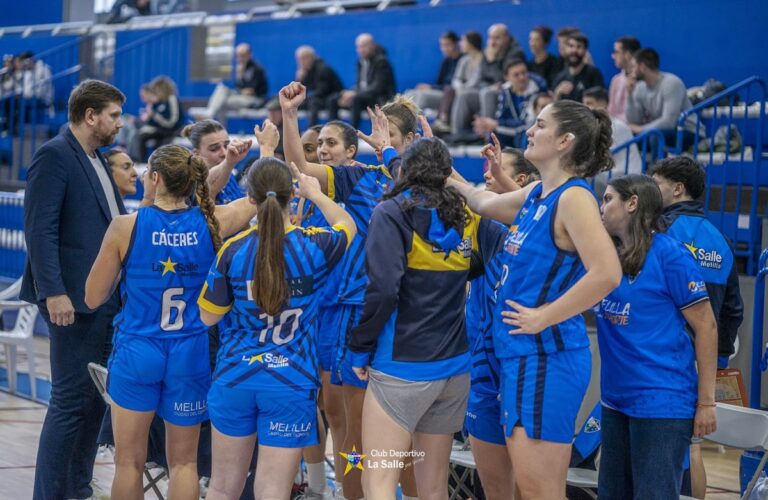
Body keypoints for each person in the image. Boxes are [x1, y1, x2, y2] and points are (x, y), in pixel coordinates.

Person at [449, 99, 622, 498]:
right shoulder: (539, 194)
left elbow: (608, 272)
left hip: (546, 357)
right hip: (519, 355)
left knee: (539, 490)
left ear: (564, 141)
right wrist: (430, 161)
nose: (530, 130)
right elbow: (481, 201)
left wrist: (545, 315)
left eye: (539, 124)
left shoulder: (573, 197)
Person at [83, 144, 258, 499]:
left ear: (156, 178)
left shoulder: (125, 226)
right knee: (184, 464)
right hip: (189, 352)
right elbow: (256, 199)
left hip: (138, 349)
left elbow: (92, 298)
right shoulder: (213, 222)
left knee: (129, 463)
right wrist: (266, 148)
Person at [197, 158, 356, 500]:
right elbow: (348, 224)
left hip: (235, 378)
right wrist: (315, 194)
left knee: (223, 488)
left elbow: (208, 317)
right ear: (291, 195)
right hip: (290, 382)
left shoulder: (233, 249)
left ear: (250, 199)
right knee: (272, 491)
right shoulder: (315, 245)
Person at [21, 79, 127, 500]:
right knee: (68, 404)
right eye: (114, 116)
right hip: (71, 302)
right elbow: (39, 230)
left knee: (93, 404)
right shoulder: (54, 155)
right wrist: (53, 292)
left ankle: (77, 490)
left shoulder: (96, 158)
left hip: (102, 302)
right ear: (91, 115)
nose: (120, 123)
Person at [596, 174, 717, 499]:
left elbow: (707, 327)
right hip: (614, 400)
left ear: (632, 203)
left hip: (661, 402)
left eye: (608, 199)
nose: (601, 207)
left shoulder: (670, 256)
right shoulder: (606, 256)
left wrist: (706, 402)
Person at [651, 157, 743, 498]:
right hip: (699, 363)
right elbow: (734, 310)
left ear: (677, 189)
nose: (650, 191)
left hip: (659, 359)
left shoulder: (657, 231)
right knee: (692, 447)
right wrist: (715, 362)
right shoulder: (720, 239)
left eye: (656, 184)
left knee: (660, 452)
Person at [464, 138, 537, 500]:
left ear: (521, 181)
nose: (487, 175)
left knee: (532, 487)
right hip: (482, 369)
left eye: (498, 169)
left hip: (525, 367)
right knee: (496, 491)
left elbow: (532, 211)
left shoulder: (540, 232)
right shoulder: (483, 226)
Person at [451, 24, 526, 135]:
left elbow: (506, 78)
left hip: (505, 91)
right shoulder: (487, 53)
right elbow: (480, 78)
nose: (493, 42)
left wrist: (493, 61)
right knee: (465, 95)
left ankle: (489, 136)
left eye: (497, 38)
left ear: (507, 38)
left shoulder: (515, 52)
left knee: (488, 93)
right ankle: (457, 135)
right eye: (490, 38)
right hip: (486, 89)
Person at [625, 48, 698, 147]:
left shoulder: (671, 83)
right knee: (628, 137)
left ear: (642, 67)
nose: (631, 71)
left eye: (633, 67)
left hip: (687, 131)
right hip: (662, 131)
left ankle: (658, 163)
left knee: (656, 137)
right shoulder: (640, 87)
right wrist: (629, 95)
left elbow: (669, 122)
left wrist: (640, 129)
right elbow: (634, 120)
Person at [473, 59, 546, 147]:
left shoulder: (537, 92)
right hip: (515, 133)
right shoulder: (506, 91)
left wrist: (496, 124)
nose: (522, 77)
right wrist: (488, 125)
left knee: (523, 137)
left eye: (524, 73)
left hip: (531, 135)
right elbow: (501, 117)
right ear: (507, 77)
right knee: (493, 136)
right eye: (516, 75)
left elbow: (527, 125)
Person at [329, 33, 395, 129]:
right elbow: (360, 84)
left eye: (364, 46)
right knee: (334, 99)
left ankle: (352, 134)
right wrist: (349, 93)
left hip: (378, 98)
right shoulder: (360, 62)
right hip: (363, 96)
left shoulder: (382, 62)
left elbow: (377, 87)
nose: (361, 50)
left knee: (356, 99)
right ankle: (333, 130)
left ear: (373, 46)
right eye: (358, 47)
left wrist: (355, 94)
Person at [179, 119, 254, 205]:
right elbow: (208, 184)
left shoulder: (230, 176)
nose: (224, 153)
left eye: (226, 146)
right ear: (196, 154)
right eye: (214, 149)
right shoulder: (191, 185)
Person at [582, 86, 642, 179]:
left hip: (624, 173)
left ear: (603, 104)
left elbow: (603, 153)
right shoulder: (594, 125)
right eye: (584, 103)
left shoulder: (617, 126)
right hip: (609, 171)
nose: (585, 107)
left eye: (589, 103)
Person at [431, 31, 483, 135]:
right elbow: (456, 78)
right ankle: (441, 121)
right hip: (462, 90)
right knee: (451, 89)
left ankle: (455, 131)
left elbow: (477, 80)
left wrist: (462, 88)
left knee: (456, 93)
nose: (460, 44)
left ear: (471, 43)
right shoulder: (464, 60)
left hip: (476, 91)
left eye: (463, 41)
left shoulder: (483, 58)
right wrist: (459, 87)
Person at [408, 31, 463, 113]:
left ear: (455, 44)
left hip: (450, 96)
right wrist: (430, 87)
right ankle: (401, 124)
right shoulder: (445, 61)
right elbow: (438, 82)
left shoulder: (463, 60)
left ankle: (415, 124)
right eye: (442, 45)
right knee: (411, 93)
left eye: (447, 45)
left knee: (422, 97)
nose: (444, 49)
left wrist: (431, 87)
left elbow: (454, 86)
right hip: (440, 91)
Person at [132, 75, 184, 161]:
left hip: (172, 130)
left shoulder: (171, 99)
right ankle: (140, 160)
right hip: (162, 129)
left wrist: (154, 115)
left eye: (157, 90)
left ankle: (142, 162)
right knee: (140, 134)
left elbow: (171, 122)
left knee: (142, 136)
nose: (156, 93)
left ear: (163, 89)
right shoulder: (160, 102)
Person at [295, 45, 344, 126]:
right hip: (319, 98)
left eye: (303, 58)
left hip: (331, 97)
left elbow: (322, 91)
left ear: (311, 57)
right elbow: (303, 92)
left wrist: (305, 98)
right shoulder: (306, 71)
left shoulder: (323, 68)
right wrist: (299, 80)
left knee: (313, 102)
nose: (301, 62)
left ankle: (312, 129)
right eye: (299, 59)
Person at [552, 31, 604, 102]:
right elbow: (553, 108)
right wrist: (557, 93)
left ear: (585, 50)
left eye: (579, 47)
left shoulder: (594, 74)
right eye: (571, 46)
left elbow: (601, 102)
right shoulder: (560, 77)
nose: (574, 50)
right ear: (565, 49)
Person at [608, 36, 641, 122]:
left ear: (627, 55)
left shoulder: (642, 80)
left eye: (616, 52)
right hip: (616, 128)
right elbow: (611, 111)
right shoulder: (616, 80)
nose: (613, 56)